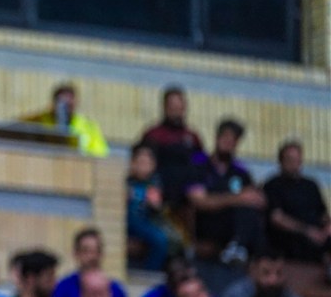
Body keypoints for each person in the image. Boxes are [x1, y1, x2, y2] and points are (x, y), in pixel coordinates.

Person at [186, 118, 267, 268]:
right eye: (225, 138)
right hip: (207, 222)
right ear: (217, 138)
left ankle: (242, 249)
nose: (228, 143)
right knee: (244, 204)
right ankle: (239, 248)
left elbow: (254, 198)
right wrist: (236, 198)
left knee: (252, 211)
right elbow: (198, 201)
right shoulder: (199, 164)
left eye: (233, 140)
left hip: (233, 226)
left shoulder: (241, 172)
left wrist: (257, 199)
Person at [262, 140, 330, 266]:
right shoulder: (273, 185)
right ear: (281, 161)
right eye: (290, 159)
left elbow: (322, 213)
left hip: (317, 231)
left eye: (297, 160)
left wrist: (327, 227)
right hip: (292, 235)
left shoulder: (311, 185)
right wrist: (307, 231)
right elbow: (277, 218)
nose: (294, 164)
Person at [136, 85, 205, 209]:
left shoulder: (192, 137)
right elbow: (143, 164)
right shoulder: (153, 135)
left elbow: (201, 163)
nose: (175, 109)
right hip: (159, 194)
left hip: (187, 198)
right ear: (165, 107)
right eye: (172, 106)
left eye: (178, 106)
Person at [52, 228, 131, 297]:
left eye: (97, 251)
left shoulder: (115, 290)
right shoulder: (63, 289)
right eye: (86, 251)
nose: (92, 256)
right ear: (76, 254)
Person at [126, 143, 181, 270]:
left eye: (147, 163)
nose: (143, 167)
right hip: (126, 220)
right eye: (140, 162)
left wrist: (154, 203)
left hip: (144, 221)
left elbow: (157, 208)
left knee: (160, 240)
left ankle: (150, 271)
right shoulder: (126, 180)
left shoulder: (154, 183)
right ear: (132, 163)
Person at [22, 82, 109, 157]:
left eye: (69, 103)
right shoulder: (38, 121)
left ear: (75, 103)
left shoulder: (88, 126)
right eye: (61, 102)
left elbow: (100, 153)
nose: (65, 107)